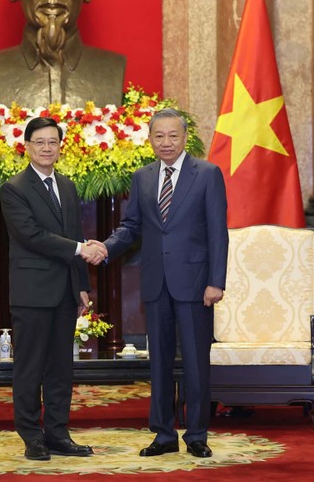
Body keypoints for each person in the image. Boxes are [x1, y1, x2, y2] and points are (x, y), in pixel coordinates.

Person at [93, 107, 228, 458]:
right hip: (156, 283)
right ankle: (164, 434)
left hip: (197, 284)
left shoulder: (208, 174)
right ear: (149, 139)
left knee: (196, 361)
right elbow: (132, 226)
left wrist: (216, 281)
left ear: (185, 138)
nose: (166, 142)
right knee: (159, 362)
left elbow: (218, 232)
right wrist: (105, 248)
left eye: (173, 136)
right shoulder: (143, 176)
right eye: (159, 136)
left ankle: (197, 434)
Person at [0, 116, 105, 461]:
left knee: (61, 368)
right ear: (26, 146)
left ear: (61, 147)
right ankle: (32, 436)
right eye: (39, 142)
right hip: (32, 292)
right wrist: (80, 250)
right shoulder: (14, 188)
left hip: (64, 292)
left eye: (52, 142)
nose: (47, 148)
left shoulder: (69, 186)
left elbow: (75, 233)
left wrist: (83, 287)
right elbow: (31, 235)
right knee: (30, 366)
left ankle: (58, 433)